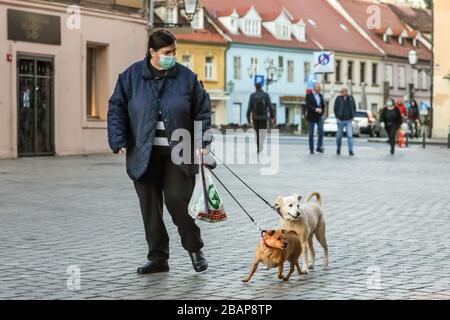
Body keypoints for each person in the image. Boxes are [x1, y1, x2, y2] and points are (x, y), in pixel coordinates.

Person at [107, 29, 212, 275]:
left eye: (174, 52)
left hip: (179, 152)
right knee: (150, 208)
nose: (172, 56)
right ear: (152, 52)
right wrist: (118, 138)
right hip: (144, 154)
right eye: (167, 52)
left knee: (177, 201)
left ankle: (194, 248)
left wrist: (201, 140)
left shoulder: (187, 78)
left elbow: (203, 111)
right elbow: (116, 109)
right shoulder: (130, 77)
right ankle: (158, 258)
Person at [246, 82, 275, 153]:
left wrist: (248, 119)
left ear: (255, 87)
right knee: (263, 132)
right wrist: (272, 117)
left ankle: (259, 146)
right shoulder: (266, 95)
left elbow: (249, 108)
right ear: (261, 87)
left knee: (257, 133)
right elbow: (270, 107)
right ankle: (261, 144)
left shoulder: (252, 96)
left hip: (255, 118)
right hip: (264, 117)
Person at [334, 88, 356, 156]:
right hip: (340, 120)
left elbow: (354, 107)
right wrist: (337, 117)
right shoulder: (338, 98)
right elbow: (335, 108)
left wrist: (353, 115)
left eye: (346, 91)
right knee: (339, 136)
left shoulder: (351, 98)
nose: (345, 92)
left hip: (349, 120)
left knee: (350, 136)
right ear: (341, 92)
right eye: (343, 92)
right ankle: (338, 149)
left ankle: (350, 150)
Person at [305, 83, 325, 154]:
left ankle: (319, 147)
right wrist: (315, 109)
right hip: (311, 117)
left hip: (319, 116)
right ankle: (311, 149)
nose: (319, 90)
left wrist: (322, 111)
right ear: (314, 88)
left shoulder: (320, 95)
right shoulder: (309, 95)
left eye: (319, 89)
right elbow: (308, 106)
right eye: (318, 89)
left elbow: (323, 105)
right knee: (311, 134)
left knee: (321, 131)